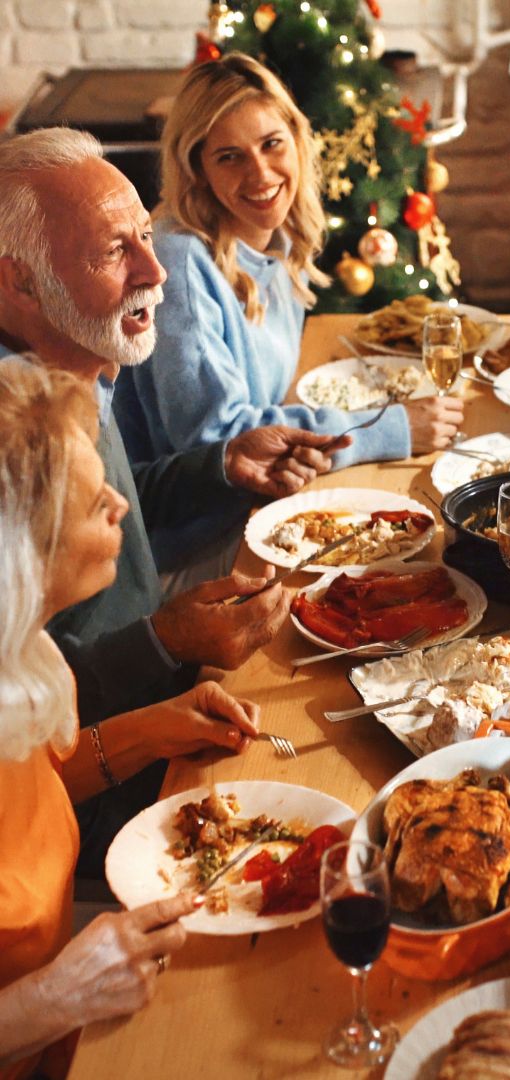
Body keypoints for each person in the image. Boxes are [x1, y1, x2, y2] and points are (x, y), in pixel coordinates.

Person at [0, 128, 332, 873]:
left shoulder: (79, 355)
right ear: (19, 282)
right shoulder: (14, 429)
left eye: (146, 238)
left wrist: (221, 465)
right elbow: (20, 708)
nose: (156, 272)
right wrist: (166, 641)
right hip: (89, 817)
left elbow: (98, 507)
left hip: (171, 702)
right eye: (114, 252)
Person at [0, 363, 265, 1079]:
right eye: (94, 505)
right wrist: (52, 998)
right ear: (18, 560)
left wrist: (157, 726)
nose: (123, 505)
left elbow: (39, 786)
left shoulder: (17, 658)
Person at [114, 53, 464, 466]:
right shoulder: (180, 262)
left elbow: (266, 404)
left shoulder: (278, 239)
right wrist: (385, 430)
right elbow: (218, 442)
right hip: (203, 523)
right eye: (230, 156)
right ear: (197, 169)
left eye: (271, 144)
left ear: (296, 140)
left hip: (272, 489)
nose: (261, 174)